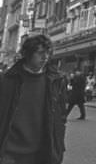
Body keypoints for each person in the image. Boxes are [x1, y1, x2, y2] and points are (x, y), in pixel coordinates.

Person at [0, 34, 68, 164]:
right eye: (40, 53)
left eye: (48, 53)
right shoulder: (7, 80)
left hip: (42, 153)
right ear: (27, 54)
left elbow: (61, 117)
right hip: (9, 153)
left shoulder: (56, 81)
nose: (45, 57)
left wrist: (58, 146)